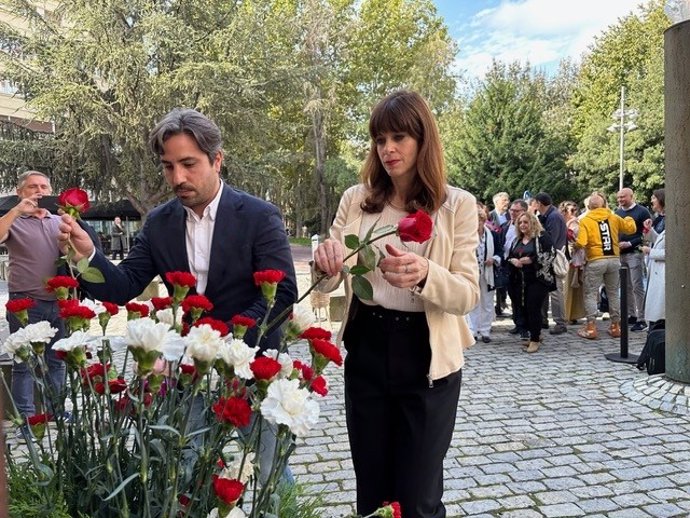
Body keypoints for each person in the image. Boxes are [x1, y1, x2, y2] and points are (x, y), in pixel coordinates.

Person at [58, 108, 298, 481]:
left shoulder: (258, 216)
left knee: (270, 477)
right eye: (169, 166)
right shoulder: (159, 222)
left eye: (189, 164)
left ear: (217, 160)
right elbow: (125, 286)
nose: (178, 177)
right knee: (182, 473)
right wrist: (88, 255)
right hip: (188, 375)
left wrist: (226, 346)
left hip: (253, 368)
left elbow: (281, 295)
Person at [313, 90, 479, 518]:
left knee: (418, 497)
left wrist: (426, 274)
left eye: (399, 137)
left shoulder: (456, 205)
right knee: (373, 491)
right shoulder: (357, 199)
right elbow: (330, 276)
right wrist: (326, 263)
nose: (387, 149)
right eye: (379, 139)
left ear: (424, 140)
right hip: (366, 344)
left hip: (426, 355)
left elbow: (467, 294)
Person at [0, 171, 100, 433]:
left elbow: (80, 255)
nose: (39, 191)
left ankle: (56, 411)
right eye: (32, 187)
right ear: (20, 192)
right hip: (26, 303)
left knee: (57, 361)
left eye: (44, 186)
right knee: (25, 364)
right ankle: (27, 420)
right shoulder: (14, 222)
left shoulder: (61, 221)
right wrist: (16, 210)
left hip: (60, 302)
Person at [574, 192, 636, 339]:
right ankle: (616, 326)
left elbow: (582, 242)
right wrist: (628, 217)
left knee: (590, 293)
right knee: (613, 292)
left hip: (595, 260)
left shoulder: (586, 220)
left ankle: (591, 327)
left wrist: (575, 245)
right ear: (604, 205)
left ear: (589, 206)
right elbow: (631, 228)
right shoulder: (613, 217)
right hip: (614, 259)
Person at [506, 212, 556, 353]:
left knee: (533, 307)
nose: (522, 225)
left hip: (538, 279)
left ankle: (534, 340)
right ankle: (535, 334)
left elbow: (551, 255)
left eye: (525, 222)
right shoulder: (517, 239)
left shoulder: (542, 237)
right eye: (520, 222)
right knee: (524, 308)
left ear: (532, 223)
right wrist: (513, 261)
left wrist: (532, 261)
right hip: (520, 281)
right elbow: (510, 256)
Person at [615, 187, 651, 331]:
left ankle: (641, 318)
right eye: (618, 197)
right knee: (625, 287)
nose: (620, 200)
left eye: (623, 197)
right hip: (620, 254)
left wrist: (630, 243)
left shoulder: (642, 212)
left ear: (631, 196)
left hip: (635, 253)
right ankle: (631, 315)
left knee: (637, 286)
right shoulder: (617, 213)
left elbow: (646, 234)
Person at [468, 203, 502, 343]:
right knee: (473, 302)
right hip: (472, 272)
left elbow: (500, 252)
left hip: (488, 273)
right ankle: (473, 330)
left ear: (483, 221)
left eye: (479, 221)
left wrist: (493, 259)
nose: (477, 224)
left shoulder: (492, 235)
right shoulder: (468, 236)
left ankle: (486, 331)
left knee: (487, 302)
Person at [534, 192, 568, 335]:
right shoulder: (550, 215)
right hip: (549, 258)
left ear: (539, 204)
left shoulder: (553, 217)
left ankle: (560, 322)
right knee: (547, 290)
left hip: (553, 258)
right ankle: (544, 320)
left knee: (555, 291)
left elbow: (550, 240)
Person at [503, 199, 529, 339]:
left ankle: (525, 326)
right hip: (509, 265)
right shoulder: (506, 225)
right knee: (513, 296)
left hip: (522, 267)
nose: (512, 213)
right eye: (511, 210)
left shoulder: (528, 228)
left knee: (523, 298)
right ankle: (517, 323)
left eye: (516, 211)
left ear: (524, 211)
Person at [641, 188, 665, 327]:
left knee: (660, 310)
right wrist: (650, 231)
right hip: (656, 268)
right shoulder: (660, 219)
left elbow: (671, 250)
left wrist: (650, 251)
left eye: (654, 198)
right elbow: (660, 240)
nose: (651, 201)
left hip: (663, 270)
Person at [558, 201, 585, 324]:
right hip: (566, 258)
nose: (574, 212)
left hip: (577, 256)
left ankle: (574, 314)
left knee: (576, 288)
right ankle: (565, 314)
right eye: (570, 210)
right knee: (566, 287)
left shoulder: (577, 222)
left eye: (575, 210)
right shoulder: (562, 223)